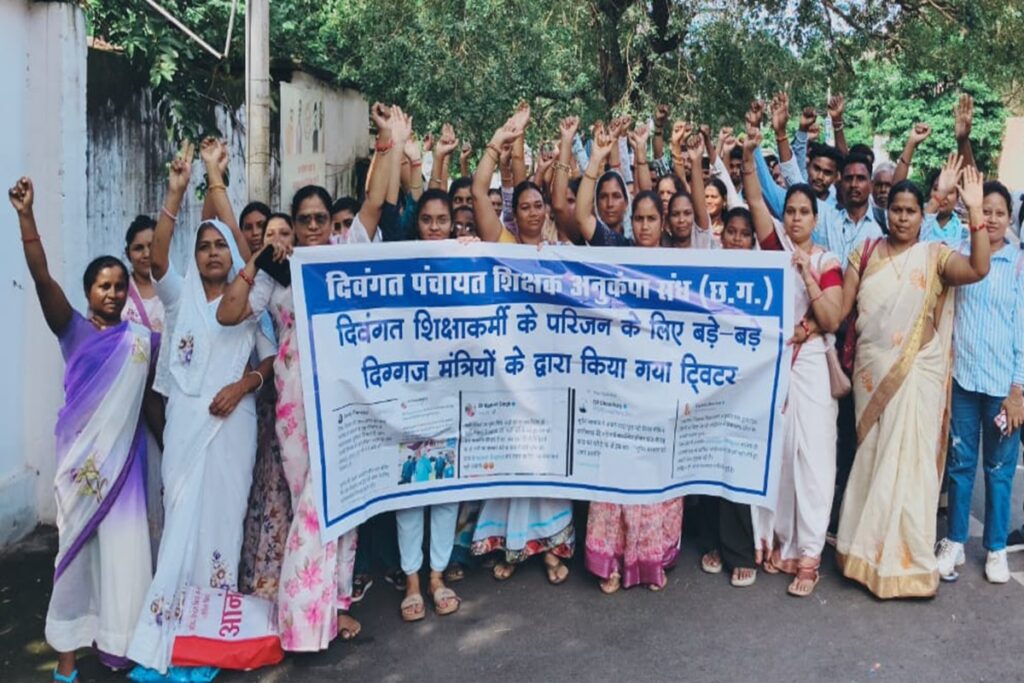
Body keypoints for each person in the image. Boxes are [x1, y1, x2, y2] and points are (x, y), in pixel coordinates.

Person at [217, 102, 397, 643]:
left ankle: (328, 608)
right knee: (311, 506)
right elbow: (228, 314)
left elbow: (371, 204)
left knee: (343, 506)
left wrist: (387, 140)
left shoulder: (343, 257)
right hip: (295, 406)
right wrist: (256, 260)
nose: (316, 226)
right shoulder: (276, 274)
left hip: (343, 401)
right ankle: (302, 617)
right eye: (306, 220)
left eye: (321, 218)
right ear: (292, 225)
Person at [127, 140, 274, 674]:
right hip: (188, 426)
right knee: (181, 521)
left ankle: (208, 635)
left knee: (223, 524)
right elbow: (159, 255)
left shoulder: (250, 302)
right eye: (204, 245)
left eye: (220, 246)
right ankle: (165, 631)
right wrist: (176, 189)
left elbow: (271, 360)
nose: (213, 251)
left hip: (233, 426)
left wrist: (242, 386)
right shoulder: (179, 295)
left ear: (232, 257)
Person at [11, 177, 154, 682]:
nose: (114, 292)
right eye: (104, 285)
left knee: (126, 559)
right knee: (74, 561)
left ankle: (123, 646)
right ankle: (68, 658)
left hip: (127, 467)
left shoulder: (142, 340)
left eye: (120, 286)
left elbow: (149, 403)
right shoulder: (71, 329)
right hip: (80, 470)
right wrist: (27, 218)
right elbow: (41, 276)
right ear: (89, 291)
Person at [834, 157, 991, 599]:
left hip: (915, 380)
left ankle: (905, 561)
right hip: (872, 378)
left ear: (923, 217)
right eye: (897, 210)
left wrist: (975, 210)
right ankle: (862, 555)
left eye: (911, 211)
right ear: (888, 212)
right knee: (871, 462)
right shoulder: (863, 253)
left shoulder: (935, 257)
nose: (902, 217)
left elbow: (979, 268)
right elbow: (843, 310)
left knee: (911, 469)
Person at [575, 127, 684, 592]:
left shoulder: (681, 266)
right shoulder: (613, 252)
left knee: (653, 474)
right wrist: (598, 158)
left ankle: (650, 560)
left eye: (649, 219)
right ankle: (613, 561)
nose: (642, 226)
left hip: (659, 386)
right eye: (636, 219)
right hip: (617, 385)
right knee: (617, 473)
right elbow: (579, 213)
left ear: (662, 224)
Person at [742, 128, 844, 596]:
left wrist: (806, 272)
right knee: (779, 455)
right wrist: (747, 156)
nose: (797, 218)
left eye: (805, 212)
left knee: (815, 458)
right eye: (791, 212)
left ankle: (809, 555)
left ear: (815, 217)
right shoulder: (773, 251)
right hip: (776, 366)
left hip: (811, 369)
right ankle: (779, 542)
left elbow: (831, 318)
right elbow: (754, 199)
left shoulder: (825, 260)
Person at [935, 181, 1024, 584]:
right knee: (960, 465)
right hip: (964, 379)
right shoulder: (960, 248)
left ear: (1009, 219)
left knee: (1000, 469)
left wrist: (1018, 390)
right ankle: (953, 541)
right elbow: (930, 234)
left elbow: (1022, 330)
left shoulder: (1018, 265)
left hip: (1003, 388)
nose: (989, 219)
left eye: (998, 213)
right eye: (983, 211)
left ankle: (995, 550)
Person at [239, 213, 295, 600]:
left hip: (296, 396)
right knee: (267, 487)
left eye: (282, 233)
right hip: (266, 397)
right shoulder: (260, 282)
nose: (274, 239)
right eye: (266, 234)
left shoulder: (304, 273)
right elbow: (240, 317)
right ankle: (265, 580)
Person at [122, 214, 167, 562]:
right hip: (133, 410)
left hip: (170, 403)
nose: (145, 253)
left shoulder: (172, 288)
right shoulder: (121, 295)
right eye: (138, 247)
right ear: (128, 253)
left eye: (151, 245)